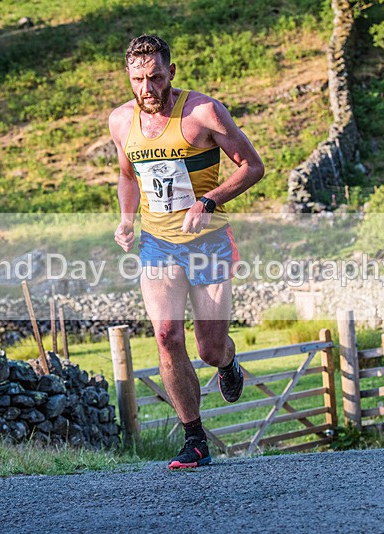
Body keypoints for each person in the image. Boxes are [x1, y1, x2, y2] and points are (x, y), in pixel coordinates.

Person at [108, 35, 264, 469]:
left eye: (156, 77)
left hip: (208, 242)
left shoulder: (203, 112)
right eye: (138, 79)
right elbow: (128, 175)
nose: (147, 88)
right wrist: (126, 219)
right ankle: (194, 438)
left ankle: (228, 363)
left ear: (171, 72)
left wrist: (207, 201)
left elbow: (253, 166)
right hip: (158, 245)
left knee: (209, 349)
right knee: (166, 336)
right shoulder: (120, 121)